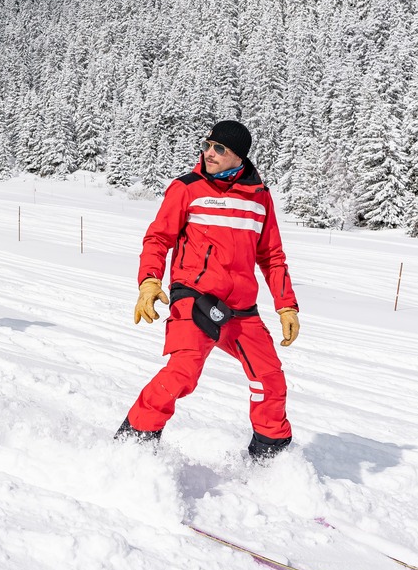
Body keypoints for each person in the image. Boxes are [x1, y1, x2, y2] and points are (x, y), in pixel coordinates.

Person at [115, 120, 302, 461]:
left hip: (242, 308)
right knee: (183, 371)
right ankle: (134, 443)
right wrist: (149, 282)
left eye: (220, 149)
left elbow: (272, 255)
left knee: (270, 379)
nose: (209, 153)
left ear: (239, 157)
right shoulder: (187, 188)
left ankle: (271, 459)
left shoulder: (259, 198)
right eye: (207, 144)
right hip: (195, 297)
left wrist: (286, 305)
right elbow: (158, 238)